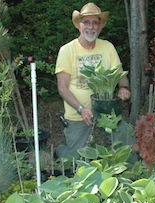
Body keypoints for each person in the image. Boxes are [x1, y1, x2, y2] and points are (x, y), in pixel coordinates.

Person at [55, 2, 130, 158]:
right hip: (78, 117)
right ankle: (61, 151)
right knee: (78, 161)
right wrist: (81, 109)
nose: (91, 26)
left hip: (107, 115)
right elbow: (62, 87)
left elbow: (121, 76)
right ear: (79, 25)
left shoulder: (108, 47)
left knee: (122, 152)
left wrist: (124, 88)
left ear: (100, 26)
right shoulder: (67, 50)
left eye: (95, 22)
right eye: (86, 22)